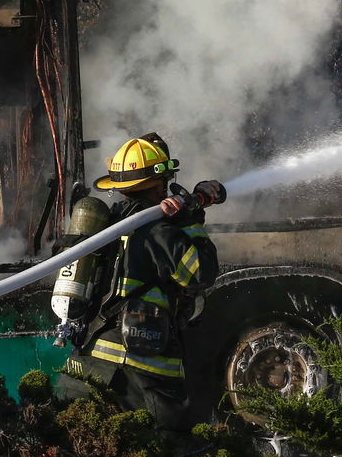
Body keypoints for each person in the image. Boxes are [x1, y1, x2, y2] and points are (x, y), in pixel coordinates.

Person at [55, 133, 222, 437]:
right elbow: (201, 273)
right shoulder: (157, 230)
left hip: (88, 361)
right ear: (159, 184)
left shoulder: (109, 223)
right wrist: (190, 223)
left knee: (77, 448)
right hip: (138, 370)